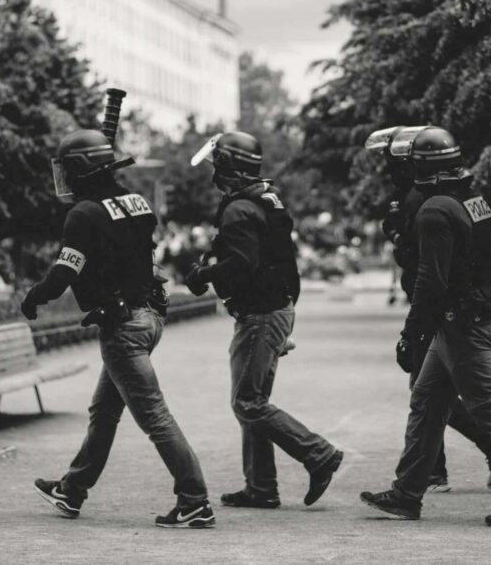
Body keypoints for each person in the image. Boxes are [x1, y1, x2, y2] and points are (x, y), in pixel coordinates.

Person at [359, 126, 491, 527]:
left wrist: (410, 335)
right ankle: (406, 494)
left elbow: (431, 281)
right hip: (466, 316)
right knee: (427, 402)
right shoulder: (472, 198)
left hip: (461, 323)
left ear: (418, 166)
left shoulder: (434, 210)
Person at [26, 128, 214, 529]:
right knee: (105, 410)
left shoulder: (83, 214)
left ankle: (195, 500)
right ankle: (72, 489)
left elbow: (66, 271)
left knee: (155, 417)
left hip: (123, 327)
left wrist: (34, 297)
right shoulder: (138, 203)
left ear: (80, 170)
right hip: (150, 316)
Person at [184, 131, 343, 510]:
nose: (213, 174)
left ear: (228, 168)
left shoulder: (239, 208)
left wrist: (204, 275)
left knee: (248, 403)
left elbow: (242, 264)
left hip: (260, 313)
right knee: (253, 399)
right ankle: (261, 487)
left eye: (217, 165)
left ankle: (318, 453)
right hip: (274, 307)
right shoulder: (266, 199)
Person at [364, 126, 491, 493]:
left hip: (447, 308)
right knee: (429, 391)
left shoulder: (425, 200)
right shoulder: (460, 194)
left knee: (461, 396)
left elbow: (426, 266)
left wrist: (413, 332)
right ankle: (424, 477)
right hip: (458, 304)